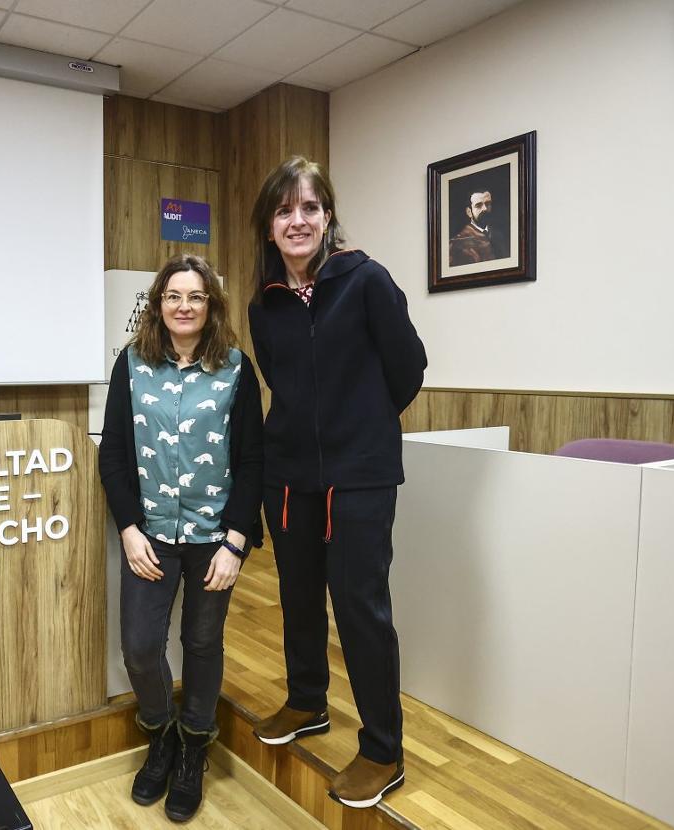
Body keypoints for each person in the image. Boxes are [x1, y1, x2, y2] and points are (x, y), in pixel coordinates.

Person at [246, 157, 426, 809]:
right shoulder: (263, 303)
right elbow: (281, 383)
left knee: (361, 609)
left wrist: (361, 429)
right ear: (269, 226)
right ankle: (307, 702)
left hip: (360, 477)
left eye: (310, 208)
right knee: (296, 597)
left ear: (328, 217)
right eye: (285, 210)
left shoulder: (367, 281)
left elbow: (409, 368)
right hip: (289, 477)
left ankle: (383, 749)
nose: (298, 220)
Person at [99, 253, 263, 823]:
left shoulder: (237, 370)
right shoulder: (132, 364)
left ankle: (194, 747)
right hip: (150, 537)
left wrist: (237, 542)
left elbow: (252, 460)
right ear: (158, 304)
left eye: (195, 297)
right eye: (173, 296)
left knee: (201, 643)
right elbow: (113, 453)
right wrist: (127, 529)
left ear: (211, 305)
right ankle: (160, 734)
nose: (184, 306)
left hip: (214, 537)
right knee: (141, 648)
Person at [449, 189, 502, 265]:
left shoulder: (499, 235)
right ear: (469, 212)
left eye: (487, 204)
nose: (485, 209)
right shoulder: (457, 243)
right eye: (478, 205)